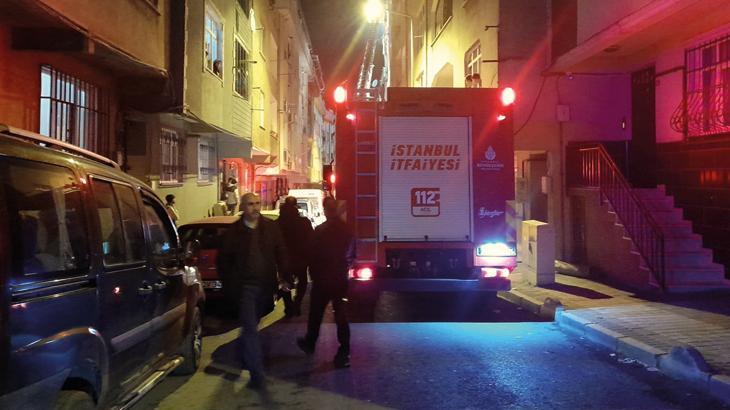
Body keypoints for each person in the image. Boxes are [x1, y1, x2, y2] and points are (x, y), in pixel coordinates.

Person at [217, 192, 288, 389]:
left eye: (257, 203)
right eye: (250, 204)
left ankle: (242, 356)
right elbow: (223, 261)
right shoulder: (234, 232)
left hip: (265, 286)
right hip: (244, 288)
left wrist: (285, 276)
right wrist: (230, 285)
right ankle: (257, 374)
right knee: (250, 328)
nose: (255, 207)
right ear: (242, 207)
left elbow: (281, 252)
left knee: (252, 325)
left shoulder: (270, 228)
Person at [296, 197, 355, 369]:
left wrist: (313, 273)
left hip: (322, 280)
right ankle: (344, 352)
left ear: (326, 211)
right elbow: (351, 253)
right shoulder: (347, 230)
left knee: (315, 314)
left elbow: (311, 254)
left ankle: (310, 342)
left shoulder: (320, 230)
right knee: (341, 317)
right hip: (340, 279)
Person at [276, 196, 314, 318]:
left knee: (285, 282)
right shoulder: (304, 222)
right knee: (302, 282)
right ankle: (297, 303)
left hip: (284, 258)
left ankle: (289, 306)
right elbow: (311, 240)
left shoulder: (278, 223)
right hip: (300, 257)